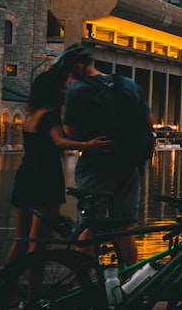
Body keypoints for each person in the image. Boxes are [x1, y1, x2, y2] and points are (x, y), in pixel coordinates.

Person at [54, 43, 154, 266]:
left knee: (88, 228)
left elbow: (72, 135)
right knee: (125, 228)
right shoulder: (128, 83)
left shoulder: (77, 91)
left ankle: (83, 285)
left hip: (95, 168)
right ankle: (129, 283)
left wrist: (88, 141)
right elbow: (149, 122)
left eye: (70, 71)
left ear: (78, 66)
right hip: (130, 166)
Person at [6, 70, 113, 264]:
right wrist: (88, 145)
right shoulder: (50, 116)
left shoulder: (30, 115)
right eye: (62, 89)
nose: (65, 93)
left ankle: (6, 288)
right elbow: (59, 141)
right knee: (39, 242)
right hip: (46, 177)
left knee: (21, 240)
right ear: (52, 92)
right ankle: (34, 294)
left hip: (24, 175)